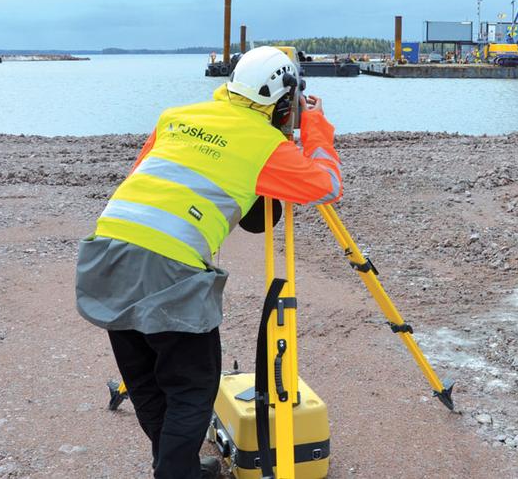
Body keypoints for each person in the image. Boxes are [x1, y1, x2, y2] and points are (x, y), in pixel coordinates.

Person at [75, 46, 342, 479]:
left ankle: (175, 467)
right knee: (191, 388)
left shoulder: (175, 117)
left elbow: (152, 172)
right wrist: (315, 127)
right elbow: (327, 185)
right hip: (167, 267)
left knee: (147, 382)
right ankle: (175, 473)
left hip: (104, 254)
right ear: (284, 99)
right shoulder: (264, 143)